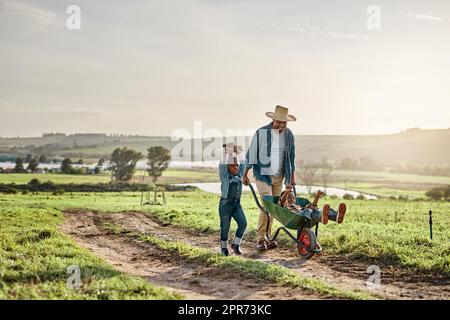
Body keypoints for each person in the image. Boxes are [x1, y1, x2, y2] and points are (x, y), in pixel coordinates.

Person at [243, 105, 297, 251]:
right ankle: (261, 239)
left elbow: (291, 157)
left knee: (274, 207)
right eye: (278, 122)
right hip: (263, 175)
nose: (280, 125)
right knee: (267, 206)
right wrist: (245, 173)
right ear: (273, 119)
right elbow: (252, 153)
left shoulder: (289, 135)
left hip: (280, 176)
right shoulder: (261, 133)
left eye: (283, 123)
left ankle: (267, 236)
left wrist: (291, 176)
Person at [218, 143, 247, 256]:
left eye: (237, 165)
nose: (236, 167)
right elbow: (222, 163)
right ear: (227, 168)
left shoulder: (240, 174)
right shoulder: (224, 176)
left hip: (236, 205)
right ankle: (224, 248)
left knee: (243, 223)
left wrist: (238, 152)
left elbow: (244, 162)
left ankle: (236, 244)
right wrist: (226, 152)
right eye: (232, 166)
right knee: (225, 227)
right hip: (225, 205)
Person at [278, 185, 347, 224]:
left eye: (293, 197)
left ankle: (337, 217)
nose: (291, 199)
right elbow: (281, 200)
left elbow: (312, 206)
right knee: (307, 211)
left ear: (295, 200)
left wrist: (317, 196)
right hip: (295, 218)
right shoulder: (284, 205)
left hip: (304, 214)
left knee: (316, 209)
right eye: (288, 197)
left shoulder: (298, 206)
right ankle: (321, 217)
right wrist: (287, 191)